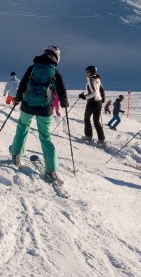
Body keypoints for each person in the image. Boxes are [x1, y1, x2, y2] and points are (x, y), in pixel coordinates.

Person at [9, 46, 69, 180]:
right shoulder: (55, 72)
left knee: (22, 128)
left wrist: (18, 98)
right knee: (45, 136)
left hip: (27, 105)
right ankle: (52, 170)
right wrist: (64, 103)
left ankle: (16, 155)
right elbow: (62, 91)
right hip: (45, 108)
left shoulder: (32, 68)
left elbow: (23, 84)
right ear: (56, 57)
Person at [79, 65, 106, 144]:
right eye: (86, 72)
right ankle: (101, 139)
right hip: (99, 102)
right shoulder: (97, 79)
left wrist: (84, 97)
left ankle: (88, 137)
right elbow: (101, 90)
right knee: (96, 121)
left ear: (91, 72)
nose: (86, 73)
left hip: (92, 103)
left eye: (87, 72)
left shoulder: (91, 80)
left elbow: (94, 93)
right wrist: (102, 99)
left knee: (86, 119)